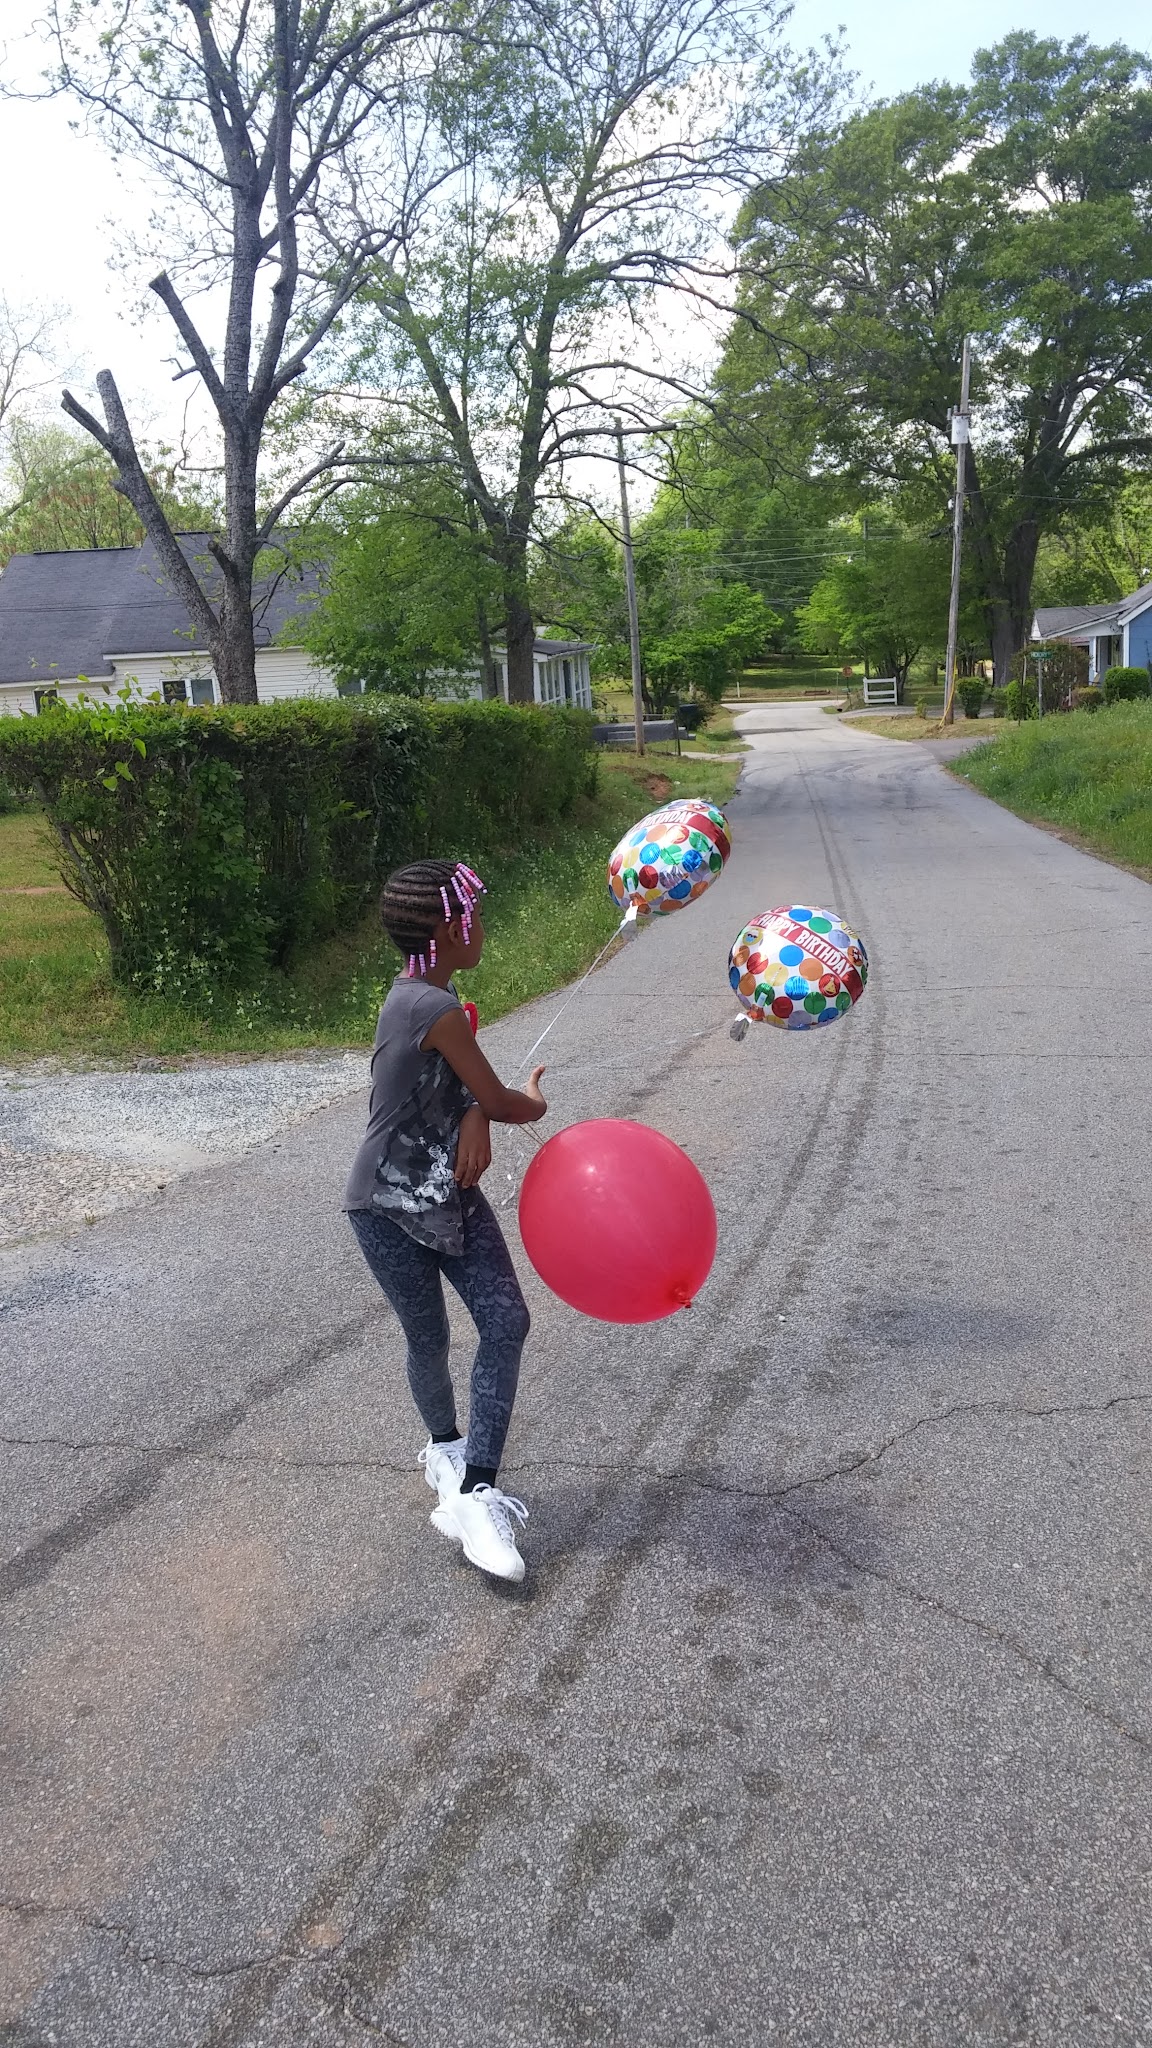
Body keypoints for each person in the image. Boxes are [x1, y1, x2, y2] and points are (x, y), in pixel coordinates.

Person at [344, 858, 547, 1583]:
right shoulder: (431, 1008)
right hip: (386, 1205)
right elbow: (499, 1098)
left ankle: (477, 1489)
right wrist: (528, 1102)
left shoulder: (430, 996)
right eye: (476, 917)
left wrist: (469, 1113)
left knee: (505, 1322)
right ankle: (446, 1450)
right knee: (426, 1337)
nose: (482, 928)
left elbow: (450, 1090)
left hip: (446, 1191)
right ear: (447, 928)